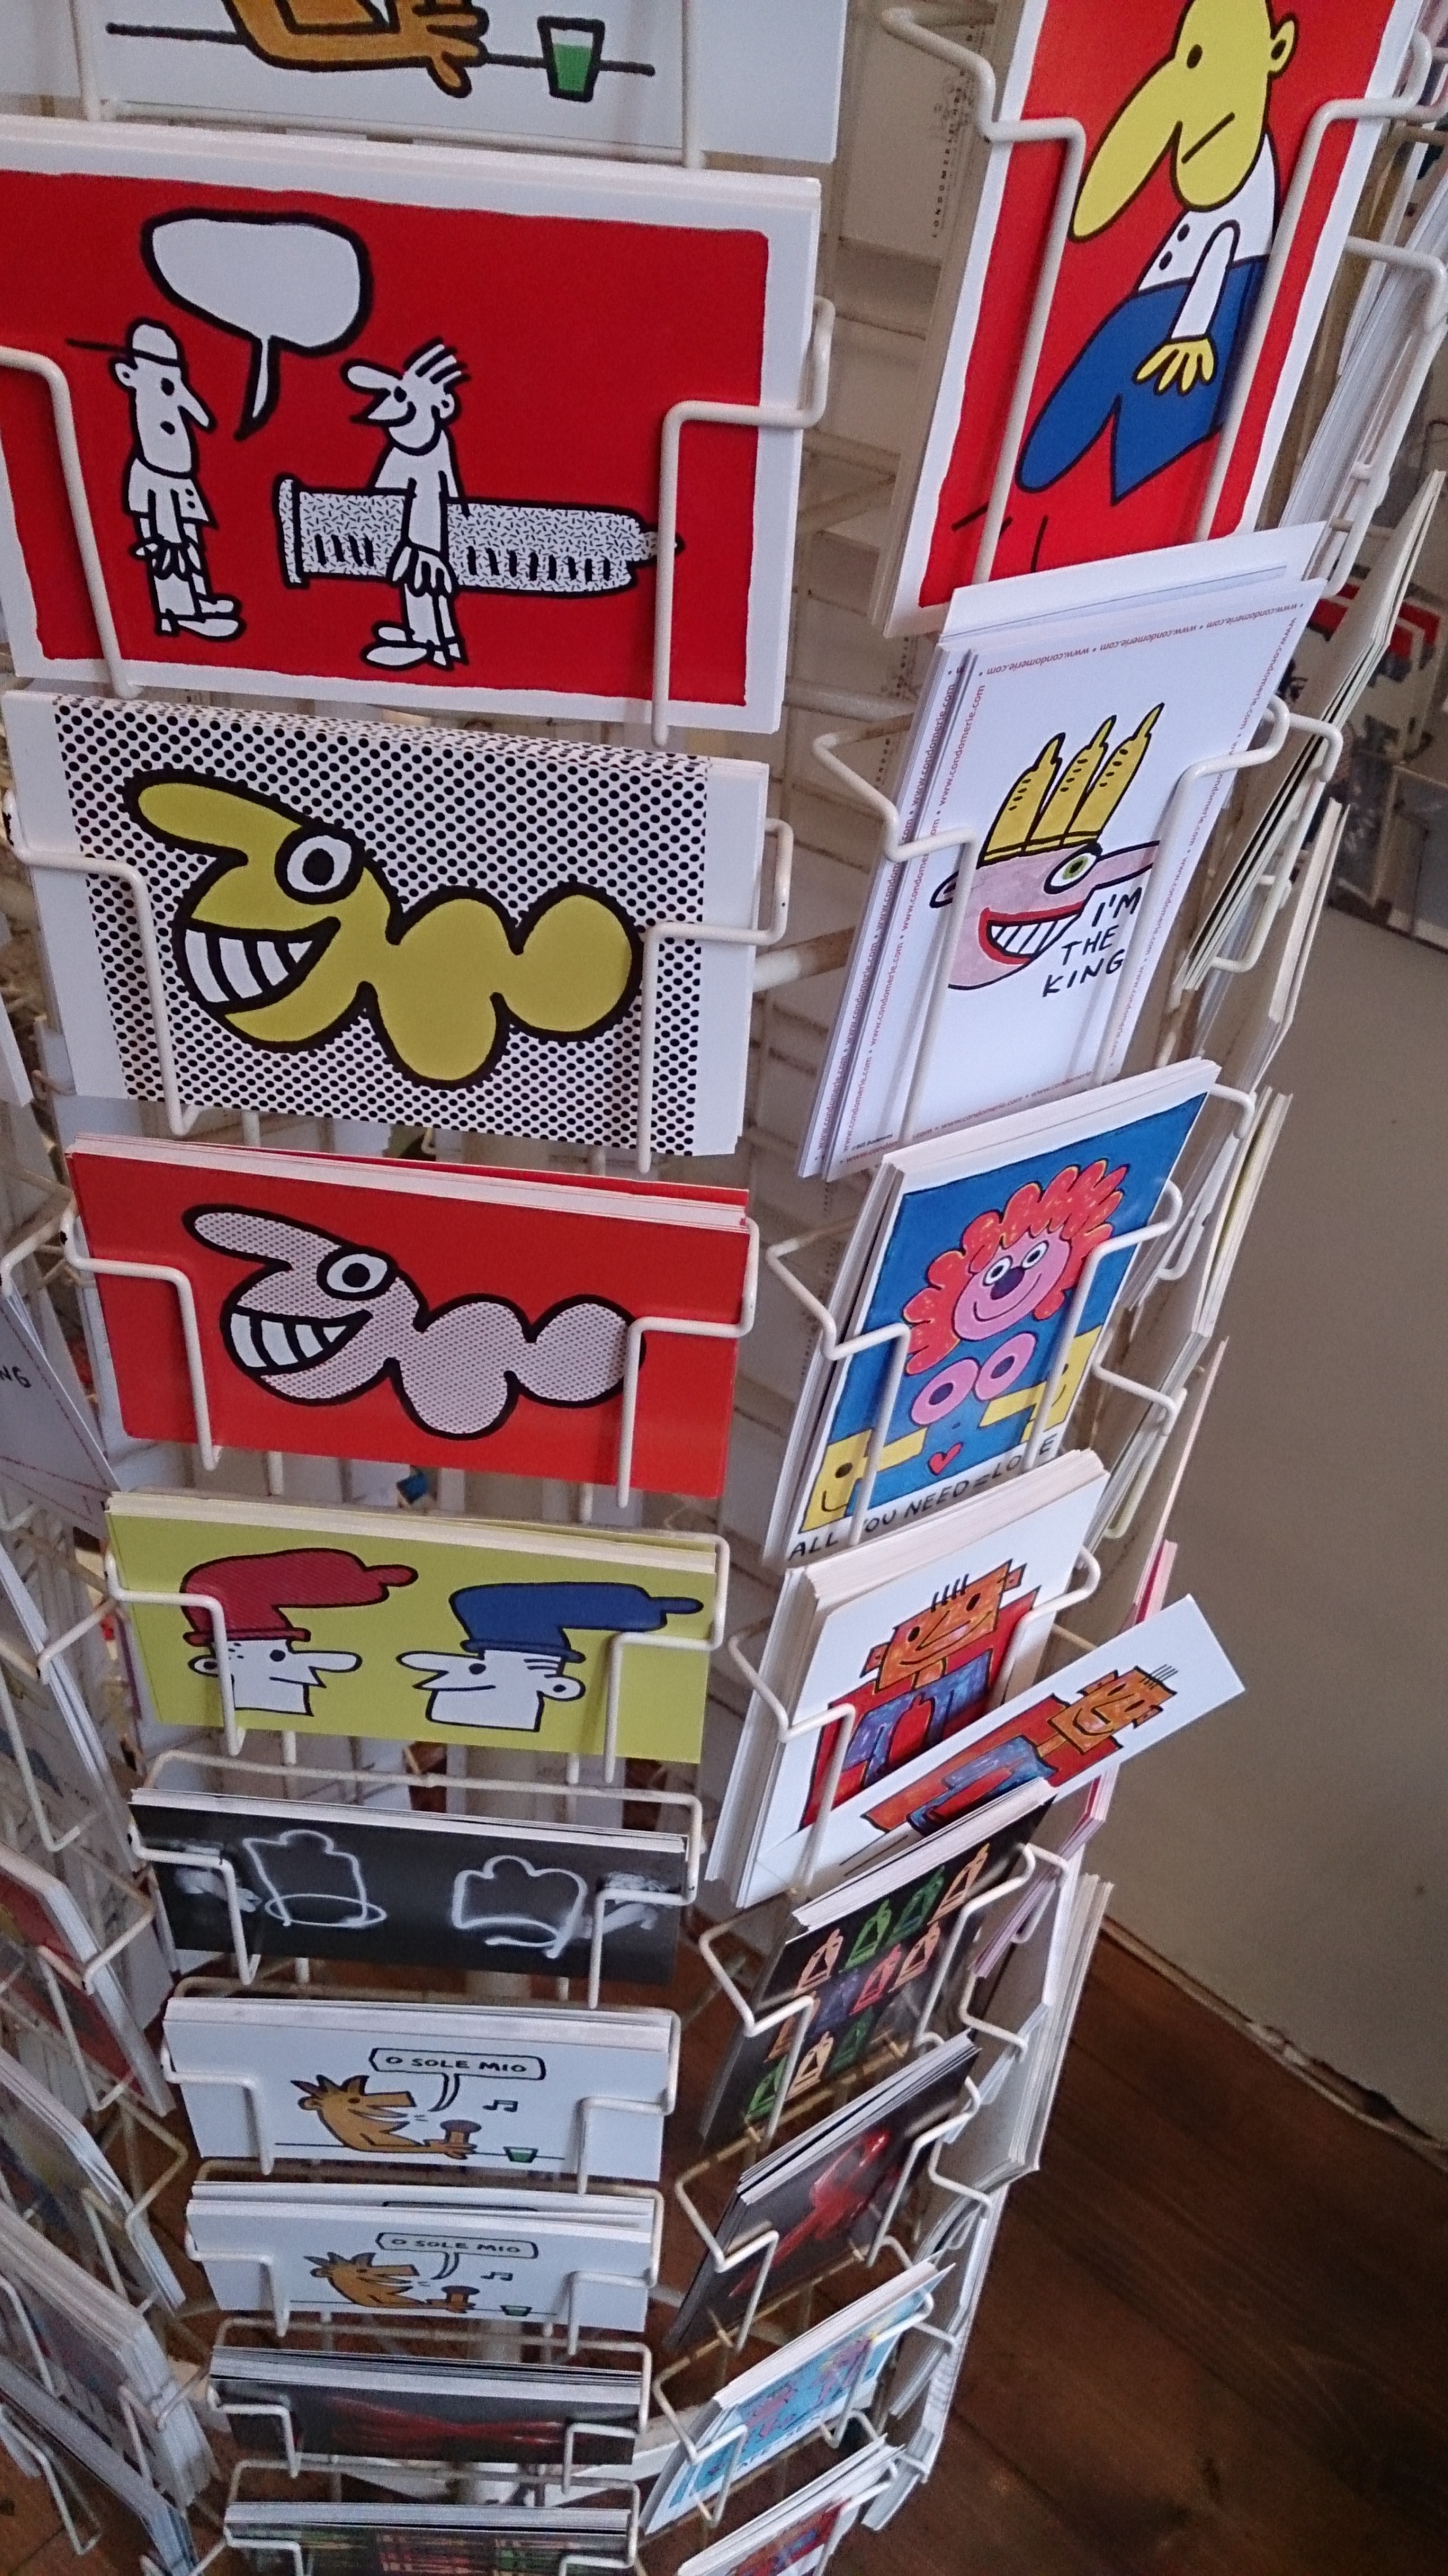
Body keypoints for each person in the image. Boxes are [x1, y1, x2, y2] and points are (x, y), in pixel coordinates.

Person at [1018, 0, 1298, 505]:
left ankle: (1095, 507)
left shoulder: (1257, 176)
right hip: (1159, 309)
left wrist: (1190, 331)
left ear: (1277, 50)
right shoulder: (1225, 159)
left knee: (1132, 444)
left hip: (1175, 317)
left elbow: (1223, 250)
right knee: (1076, 444)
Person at [344, 338, 469, 669]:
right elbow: (384, 493)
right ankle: (430, 637)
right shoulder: (414, 448)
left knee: (423, 586)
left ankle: (431, 642)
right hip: (415, 539)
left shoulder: (430, 446)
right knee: (418, 589)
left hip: (424, 541)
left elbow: (440, 492)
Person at [112, 319, 241, 639]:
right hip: (156, 480)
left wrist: (179, 391)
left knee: (189, 541)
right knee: (168, 548)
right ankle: (178, 611)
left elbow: (201, 415)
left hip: (178, 479)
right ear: (128, 375)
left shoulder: (172, 386)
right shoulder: (148, 386)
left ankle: (198, 598)